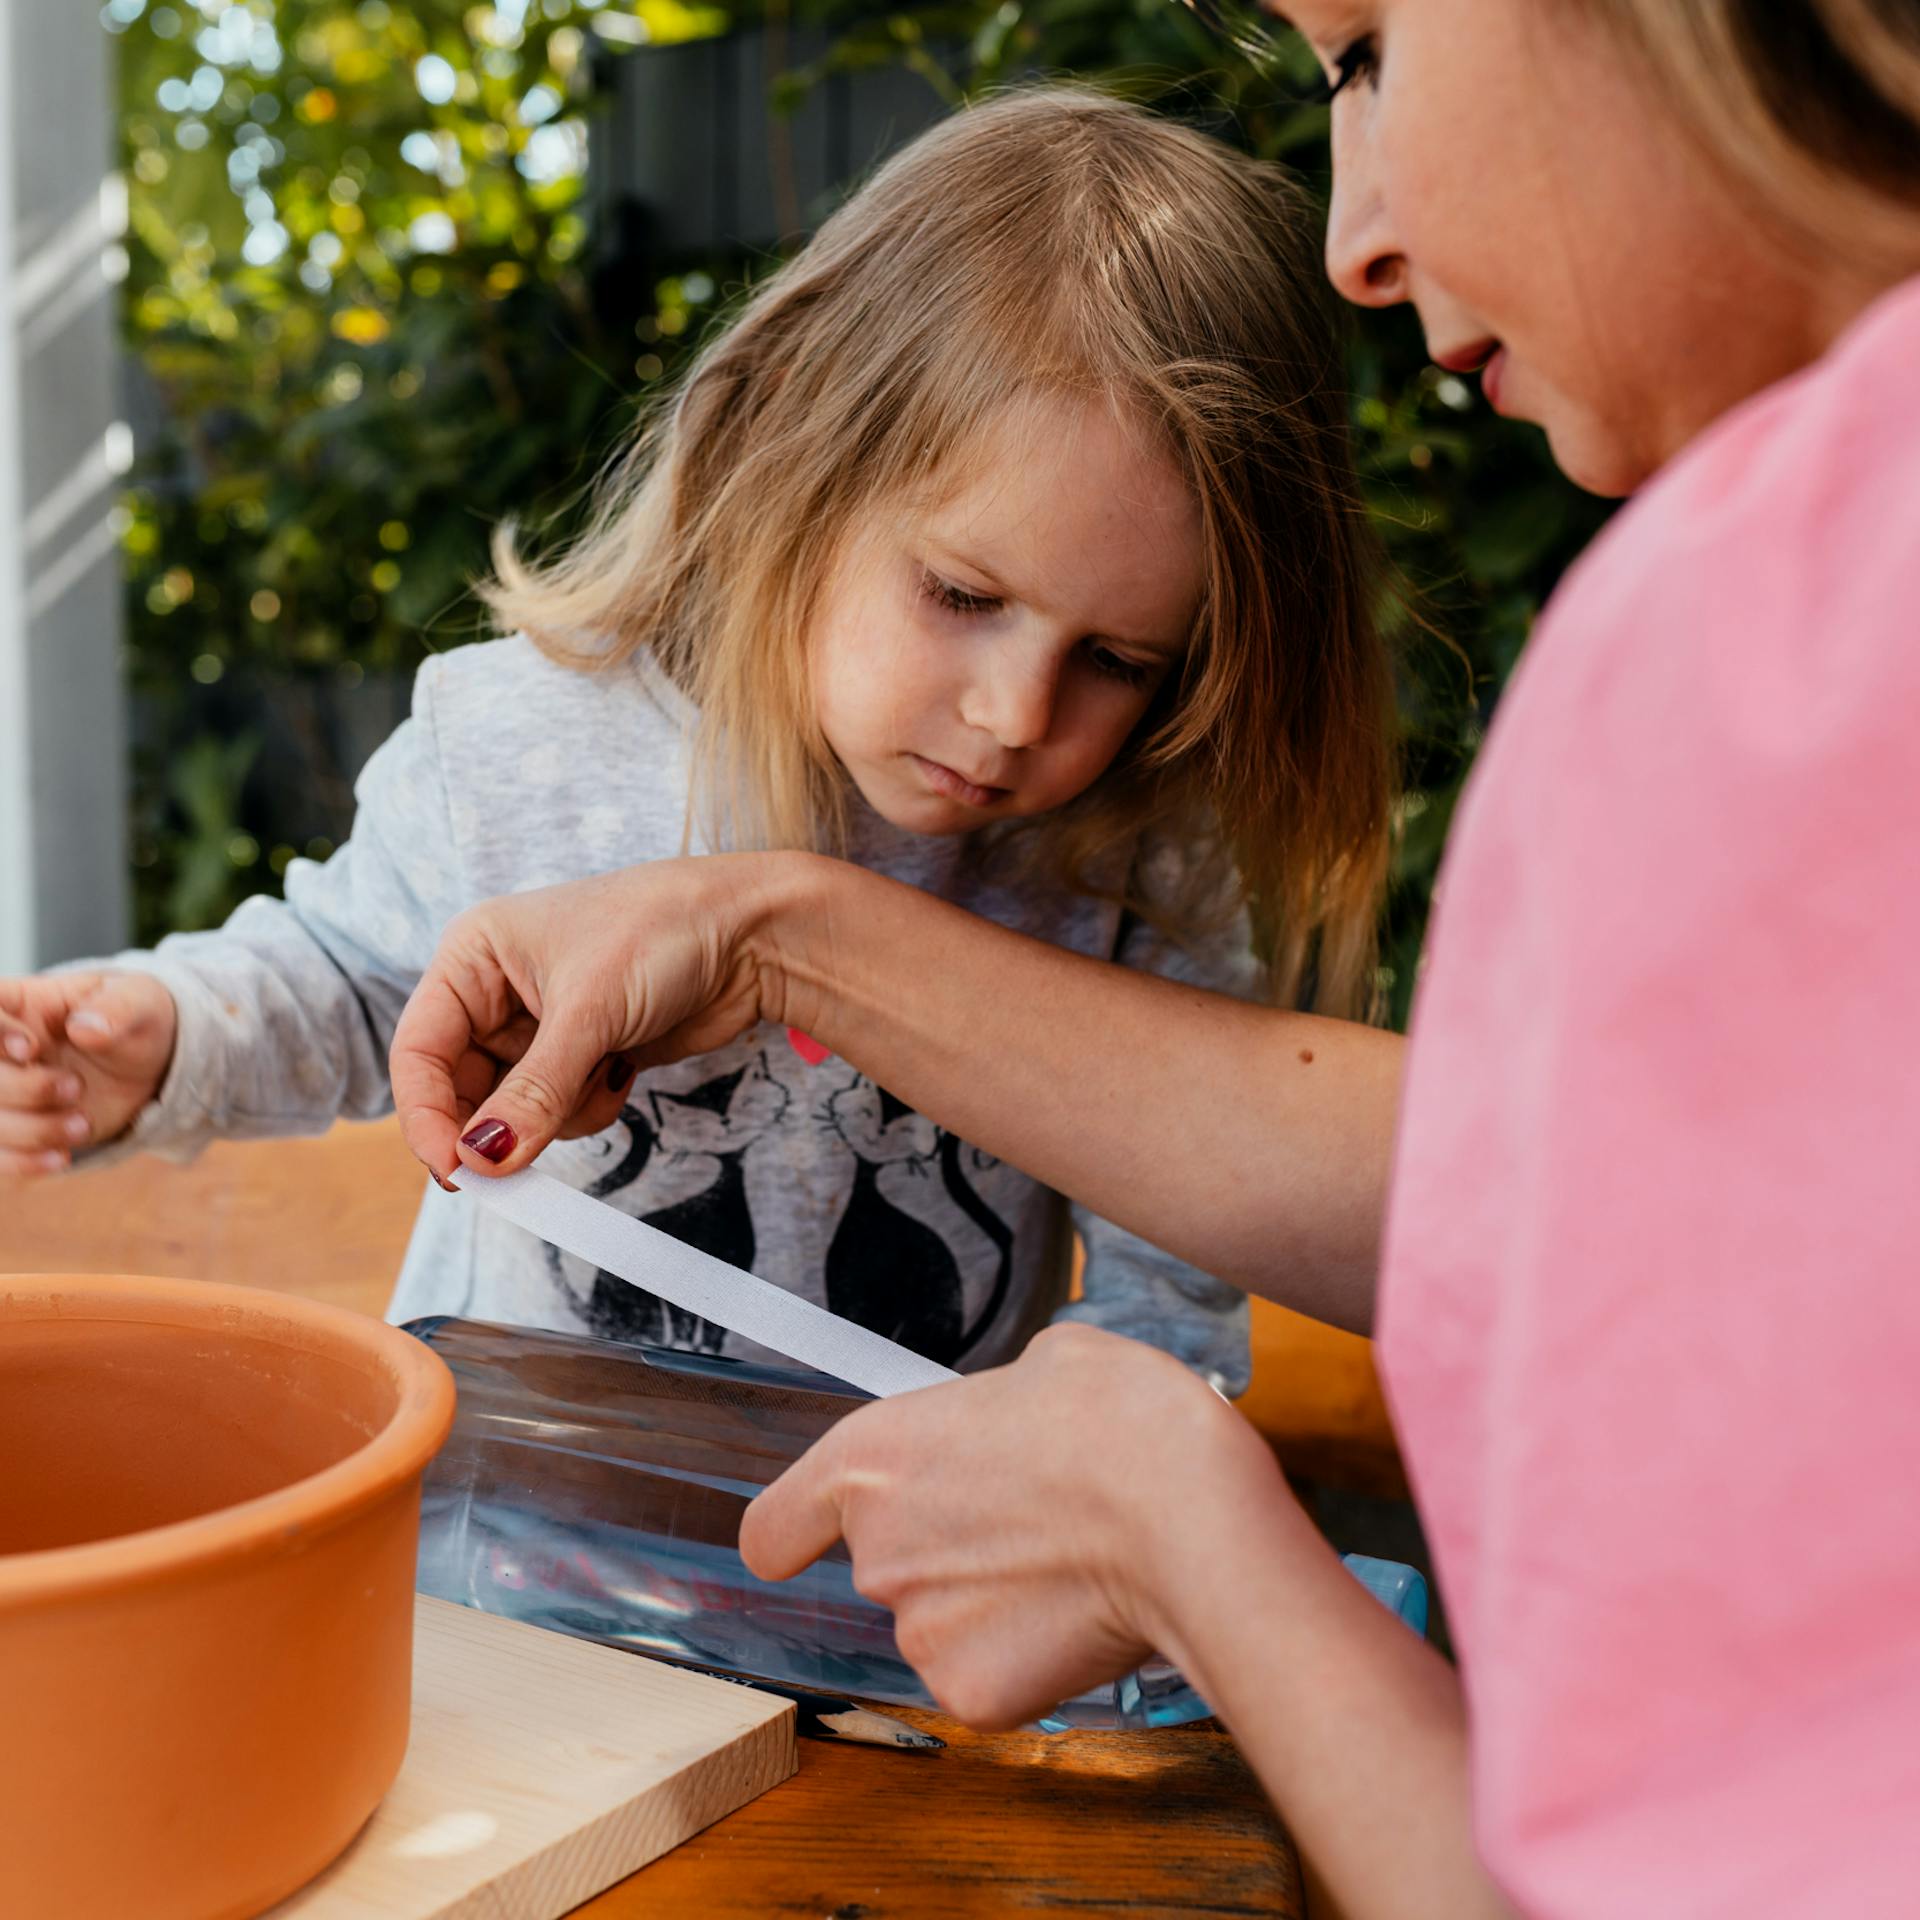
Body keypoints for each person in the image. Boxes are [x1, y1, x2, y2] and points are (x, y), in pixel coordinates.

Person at [379, 3, 1920, 1914]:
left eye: (1369, 54)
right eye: (962, 593)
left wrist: (1188, 1538)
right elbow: (1594, 1213)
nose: (1354, 237)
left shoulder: (1774, 635)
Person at [0, 90, 1399, 1387]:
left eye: (1117, 660)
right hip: (528, 1575)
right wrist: (165, 1037)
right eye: (963, 596)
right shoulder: (517, 743)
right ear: (785, 454)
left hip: (887, 1614)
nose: (1017, 715)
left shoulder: (1136, 852)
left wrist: (1098, 1474)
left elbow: (1172, 1294)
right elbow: (354, 982)